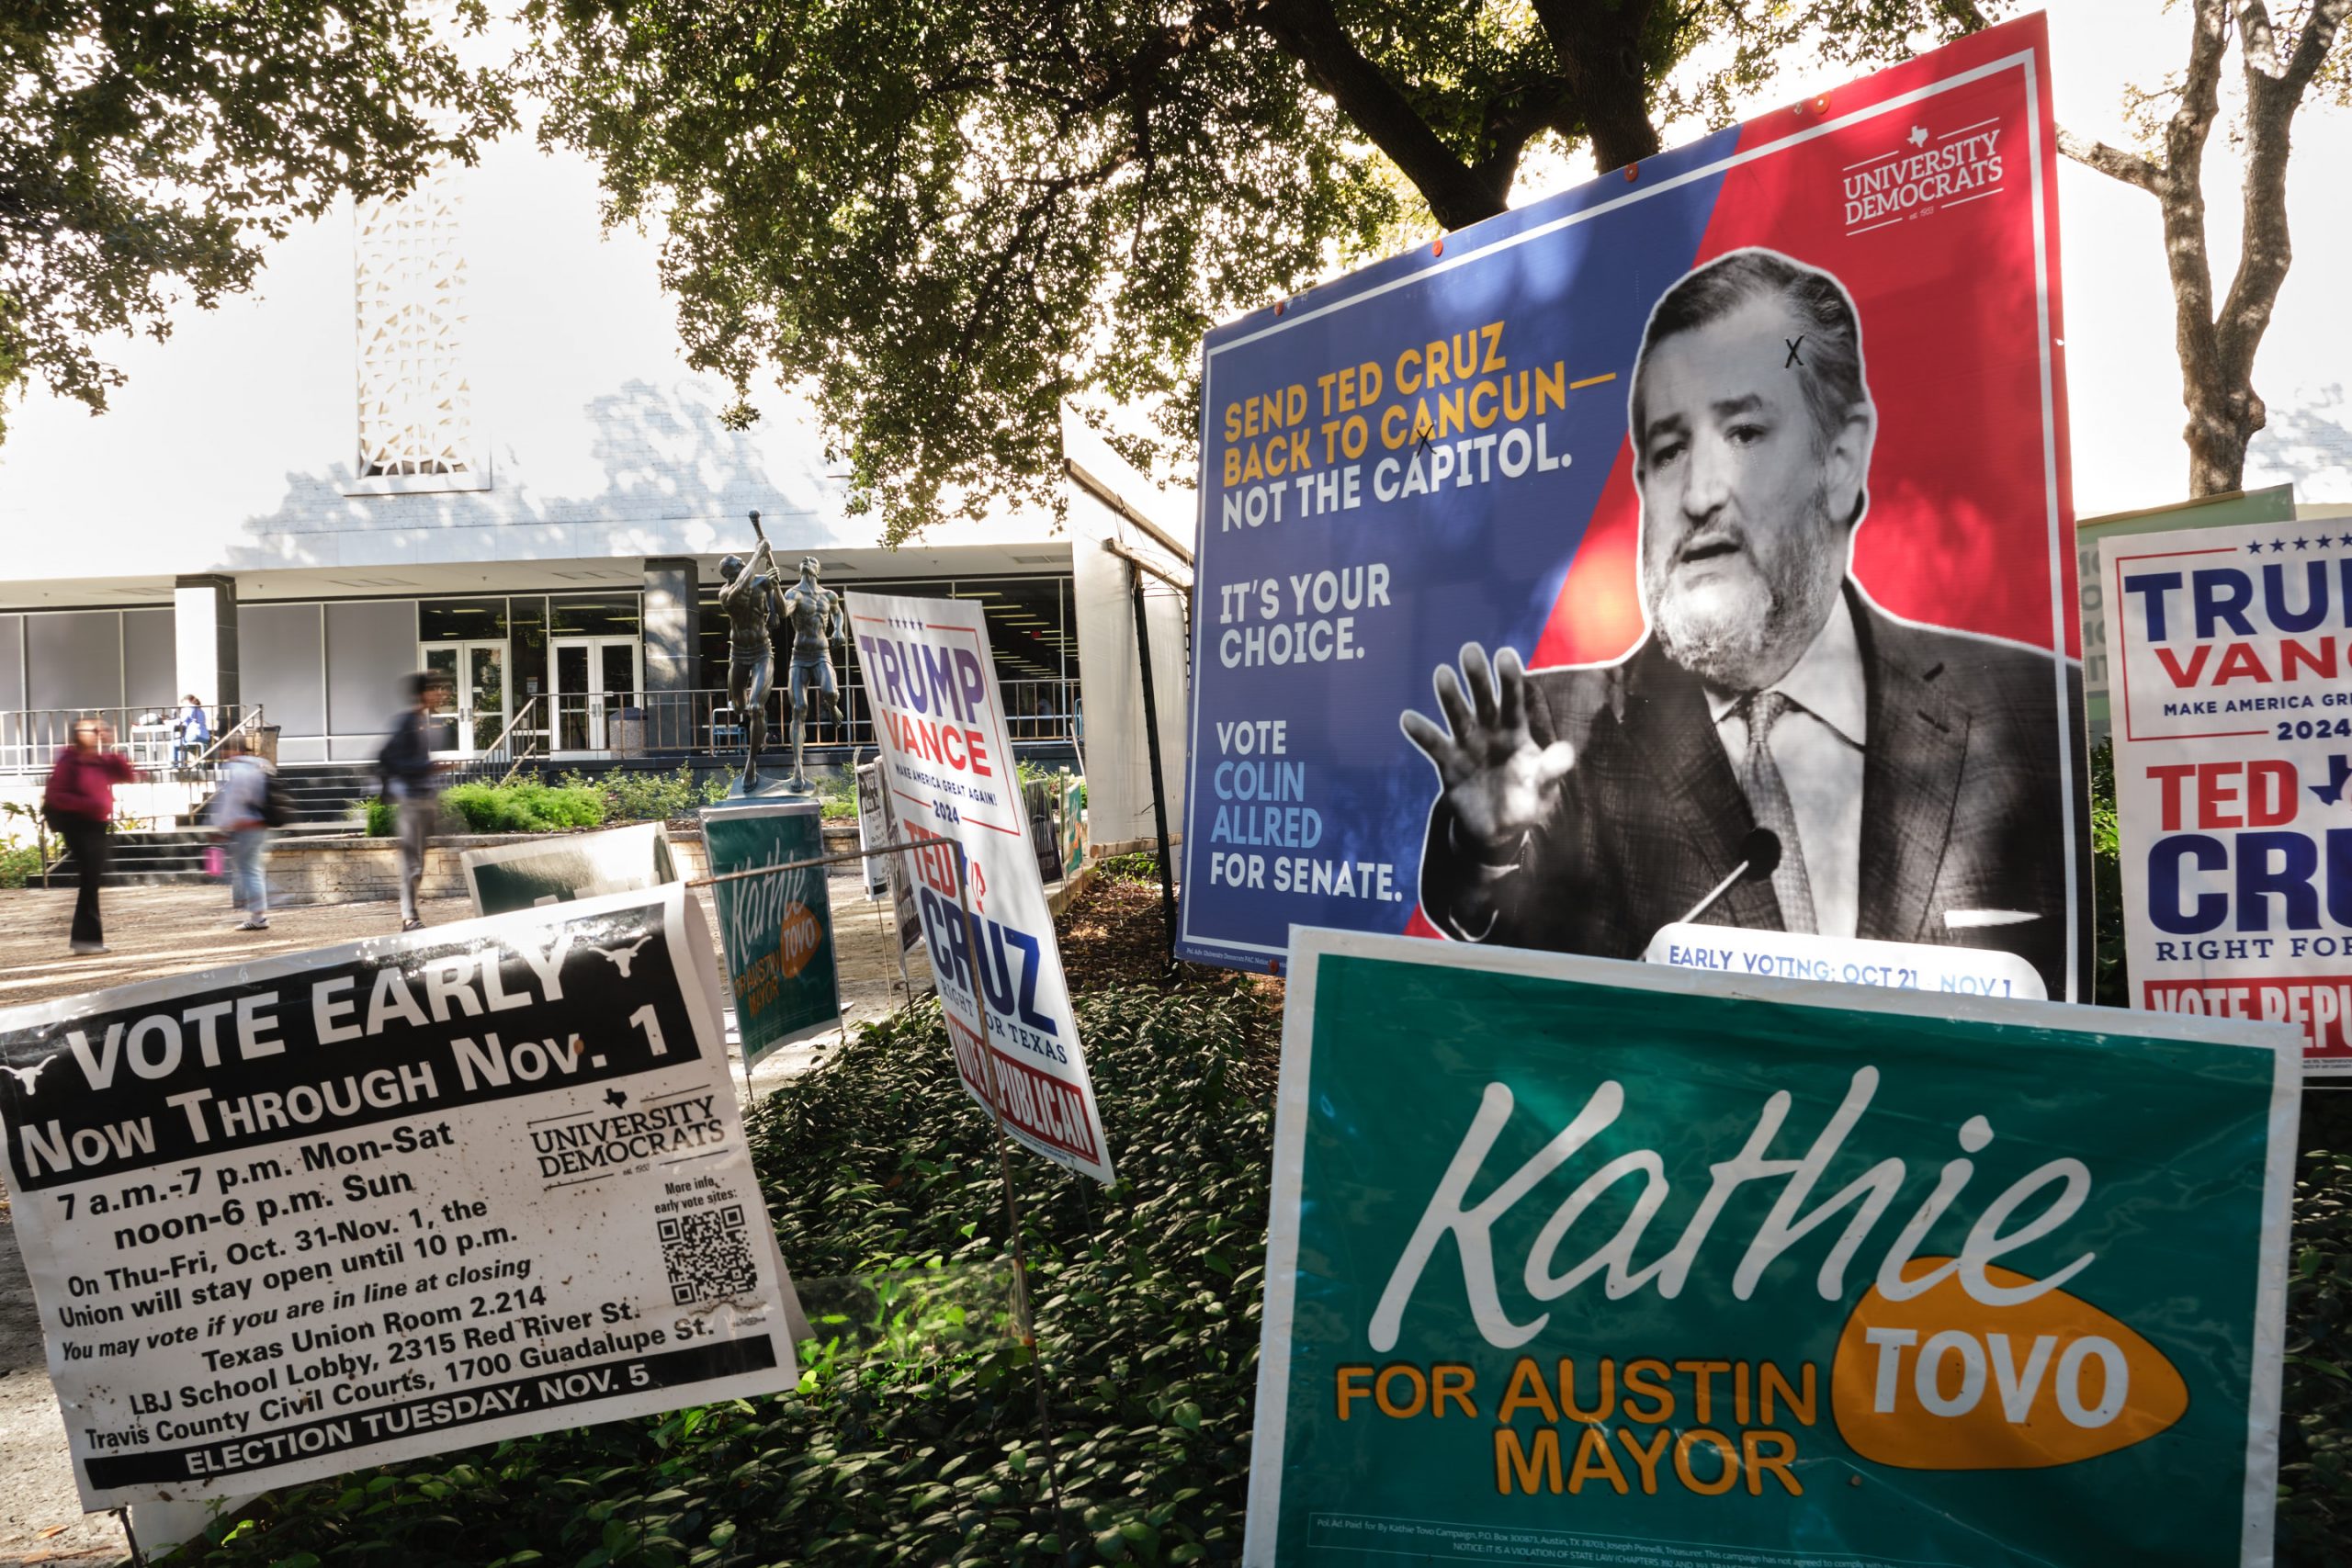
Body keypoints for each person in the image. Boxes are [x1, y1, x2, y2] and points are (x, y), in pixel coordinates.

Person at [1403, 247, 2082, 998]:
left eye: (1745, 433)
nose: (1698, 495)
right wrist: (1483, 847)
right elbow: (1496, 919)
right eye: (1668, 449)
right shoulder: (1557, 729)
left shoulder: (2031, 711)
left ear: (1842, 459)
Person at [42, 716, 137, 955]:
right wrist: (89, 804)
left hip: (95, 825)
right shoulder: (68, 762)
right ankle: (86, 940)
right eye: (92, 730)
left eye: (100, 730)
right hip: (78, 825)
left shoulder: (99, 760)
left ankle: (86, 940)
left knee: (91, 881)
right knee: (90, 881)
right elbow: (57, 796)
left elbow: (126, 774)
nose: (97, 733)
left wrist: (110, 746)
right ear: (78, 734)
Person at [379, 672, 451, 932]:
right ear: (421, 693)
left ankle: (411, 914)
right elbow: (397, 761)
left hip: (424, 798)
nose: (440, 694)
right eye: (434, 689)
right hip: (410, 800)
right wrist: (431, 767)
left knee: (418, 860)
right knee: (413, 861)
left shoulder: (425, 722)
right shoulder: (407, 722)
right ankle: (409, 917)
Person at [718, 539, 784, 788]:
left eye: (744, 561)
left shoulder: (760, 582)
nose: (745, 563)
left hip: (762, 652)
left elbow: (782, 610)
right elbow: (740, 588)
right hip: (738, 654)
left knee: (757, 707)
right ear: (730, 572)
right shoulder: (725, 594)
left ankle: (752, 762)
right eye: (740, 564)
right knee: (739, 707)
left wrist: (775, 589)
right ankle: (741, 709)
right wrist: (758, 553)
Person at [208, 735, 274, 931]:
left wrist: (221, 825)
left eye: (223, 750)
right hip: (261, 822)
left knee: (247, 869)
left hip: (244, 824)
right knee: (252, 867)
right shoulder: (261, 765)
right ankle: (260, 910)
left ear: (231, 750)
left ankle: (259, 913)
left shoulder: (234, 769)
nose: (221, 755)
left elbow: (231, 801)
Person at [174, 694, 210, 770]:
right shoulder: (200, 710)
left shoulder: (189, 708)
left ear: (187, 702)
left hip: (194, 735)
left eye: (183, 704)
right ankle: (183, 765)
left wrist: (168, 722)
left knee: (174, 744)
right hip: (205, 737)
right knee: (181, 743)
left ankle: (176, 766)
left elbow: (180, 721)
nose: (182, 706)